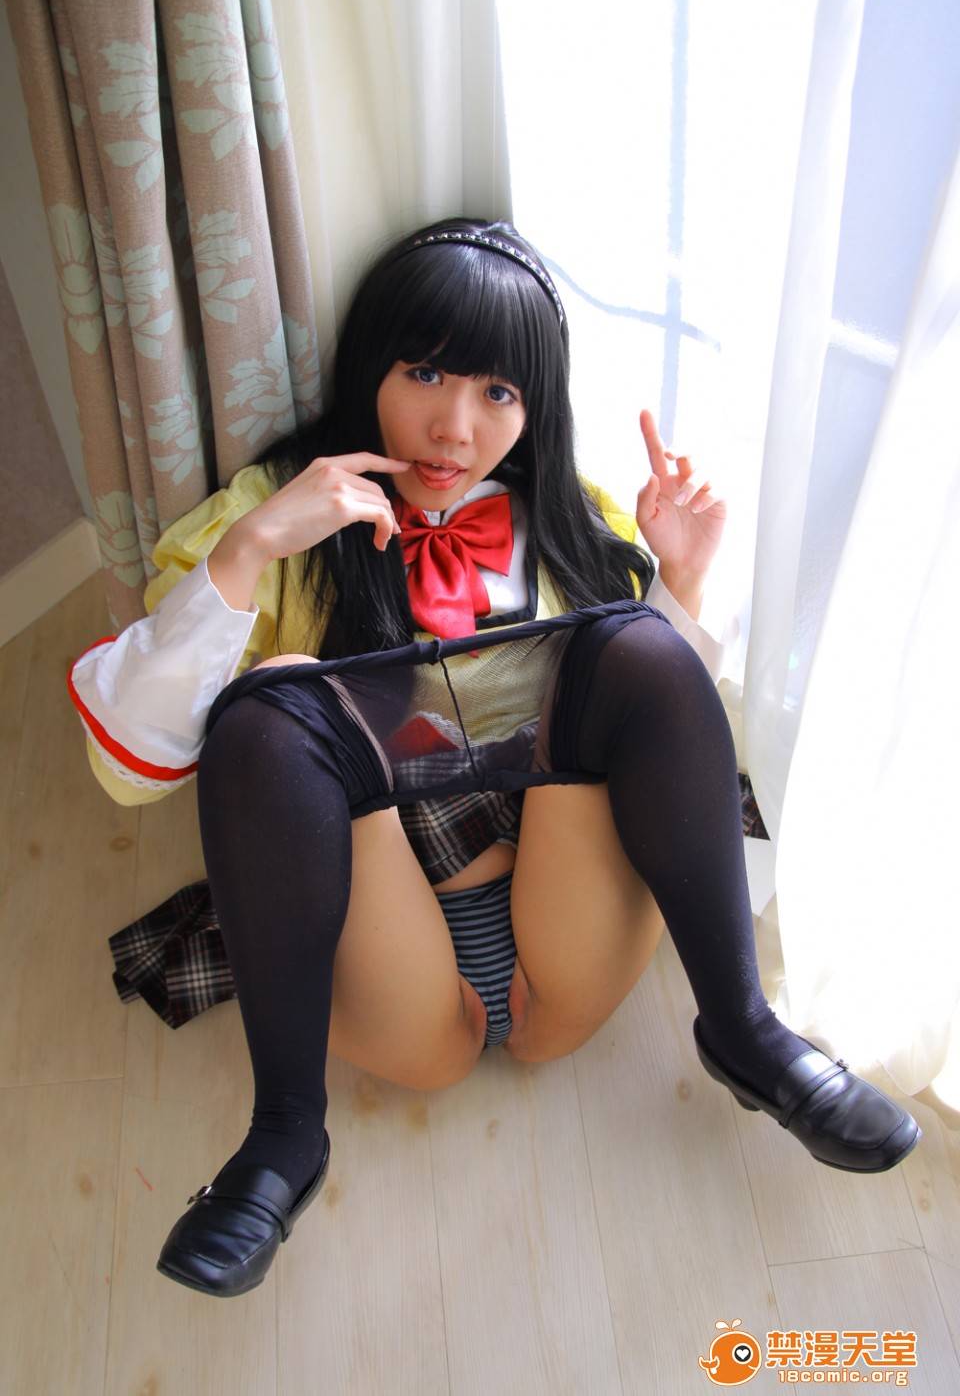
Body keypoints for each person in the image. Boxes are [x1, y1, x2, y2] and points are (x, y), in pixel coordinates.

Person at [67, 217, 920, 1299]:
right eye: (424, 372)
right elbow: (134, 764)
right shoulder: (278, 513)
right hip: (389, 957)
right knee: (273, 700)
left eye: (498, 393)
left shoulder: (568, 515)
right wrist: (252, 546)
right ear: (369, 366)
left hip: (569, 942)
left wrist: (681, 582)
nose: (454, 427)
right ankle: (282, 1133)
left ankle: (744, 1029)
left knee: (628, 642)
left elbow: (657, 733)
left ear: (535, 407)